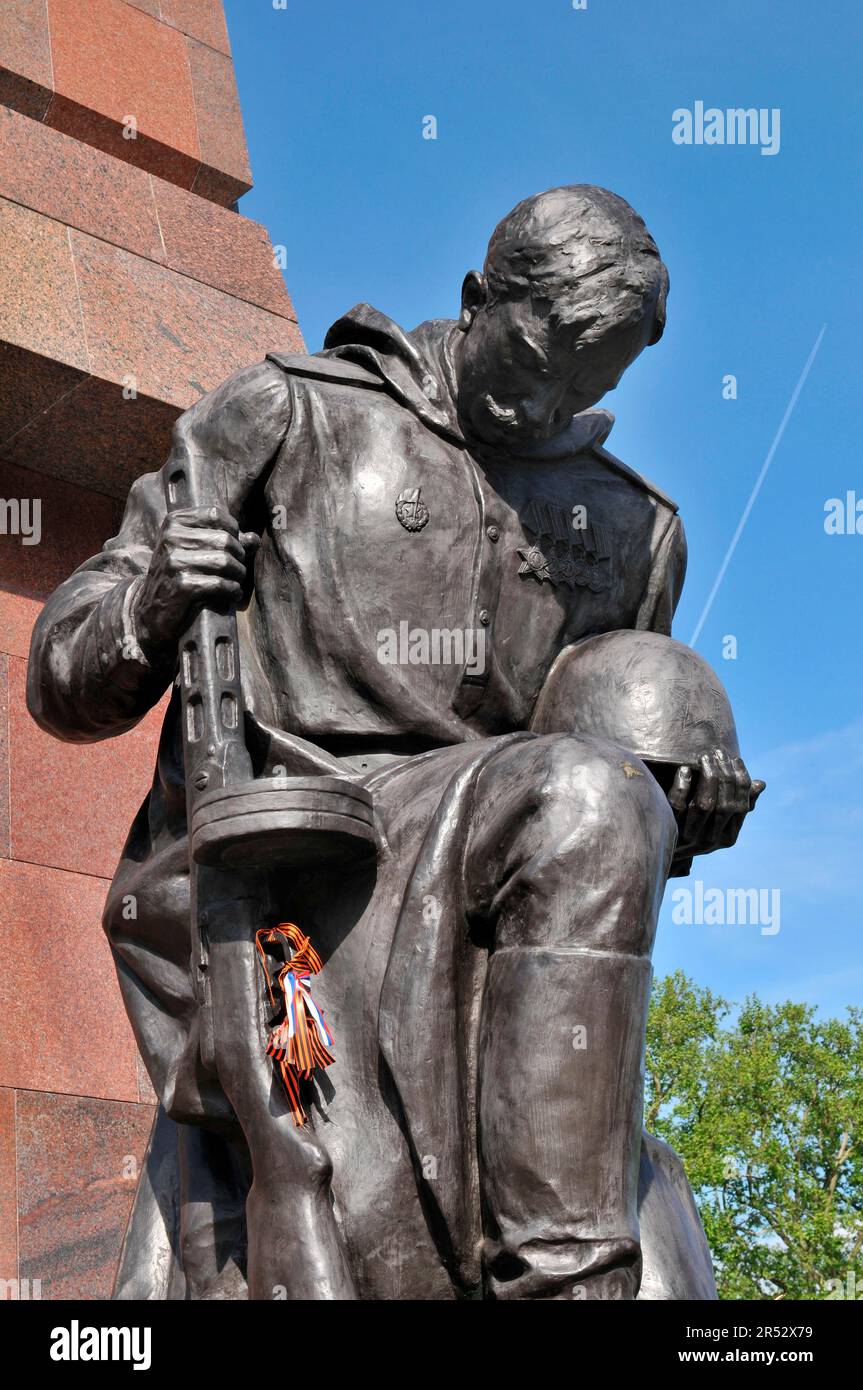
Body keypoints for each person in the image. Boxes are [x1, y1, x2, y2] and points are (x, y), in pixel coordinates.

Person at [27, 185, 762, 1300]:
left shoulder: (631, 526)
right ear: (477, 299)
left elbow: (612, 750)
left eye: (592, 377)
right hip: (292, 849)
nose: (552, 399)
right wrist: (151, 604)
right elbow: (63, 679)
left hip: (503, 842)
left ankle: (568, 1272)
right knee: (580, 795)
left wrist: (682, 803)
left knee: (594, 796)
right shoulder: (290, 414)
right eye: (538, 356)